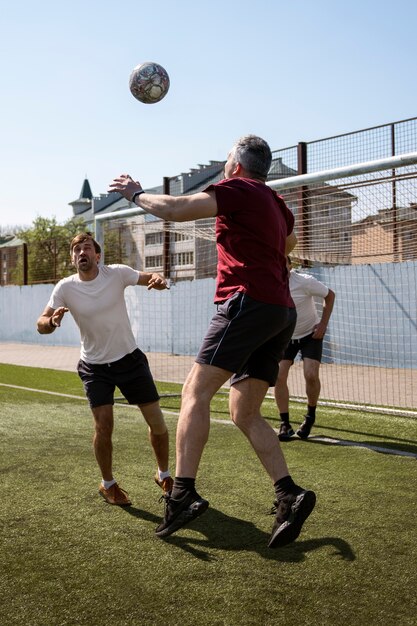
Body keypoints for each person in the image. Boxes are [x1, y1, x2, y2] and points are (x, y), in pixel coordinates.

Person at [109, 135, 316, 548]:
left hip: (247, 303)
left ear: (237, 165)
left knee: (194, 392)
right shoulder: (276, 203)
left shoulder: (240, 189)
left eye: (226, 160)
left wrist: (135, 193)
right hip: (280, 312)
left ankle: (182, 493)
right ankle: (288, 494)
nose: (224, 166)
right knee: (244, 410)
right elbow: (289, 243)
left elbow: (176, 209)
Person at [36, 232, 173, 506]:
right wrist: (51, 322)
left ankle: (164, 474)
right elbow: (41, 322)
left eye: (86, 247)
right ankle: (108, 484)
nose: (81, 252)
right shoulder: (65, 287)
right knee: (103, 426)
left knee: (157, 423)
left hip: (129, 360)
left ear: (97, 255)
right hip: (94, 367)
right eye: (76, 249)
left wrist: (159, 281)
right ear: (73, 258)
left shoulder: (117, 274)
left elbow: (151, 277)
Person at [275, 257, 335, 441]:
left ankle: (310, 417)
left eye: (283, 262)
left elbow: (329, 295)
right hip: (285, 337)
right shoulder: (269, 284)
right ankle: (284, 423)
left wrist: (323, 324)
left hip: (311, 334)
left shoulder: (304, 281)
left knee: (310, 374)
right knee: (279, 376)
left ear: (289, 265)